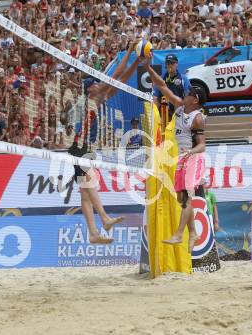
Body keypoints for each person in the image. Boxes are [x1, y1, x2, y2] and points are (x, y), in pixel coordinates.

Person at [67, 40, 142, 244]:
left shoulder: (99, 97)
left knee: (84, 192)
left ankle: (93, 233)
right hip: (79, 147)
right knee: (89, 185)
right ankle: (105, 218)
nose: (99, 83)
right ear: (91, 89)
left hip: (85, 147)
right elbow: (116, 74)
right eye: (96, 82)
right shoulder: (94, 98)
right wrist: (128, 51)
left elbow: (121, 80)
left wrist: (137, 63)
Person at [144, 55, 206, 253]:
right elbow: (162, 86)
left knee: (186, 198)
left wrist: (189, 153)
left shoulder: (197, 118)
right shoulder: (180, 107)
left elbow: (202, 146)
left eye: (189, 94)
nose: (185, 94)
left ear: (195, 100)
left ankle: (180, 234)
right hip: (182, 158)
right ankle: (194, 232)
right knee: (181, 200)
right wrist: (148, 68)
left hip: (193, 158)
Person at [153, 54, 191, 120]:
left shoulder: (183, 79)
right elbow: (155, 98)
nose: (170, 65)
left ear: (177, 64)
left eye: (172, 63)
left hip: (179, 113)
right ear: (166, 65)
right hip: (164, 113)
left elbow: (188, 97)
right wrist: (156, 117)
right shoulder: (160, 79)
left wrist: (186, 113)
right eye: (168, 63)